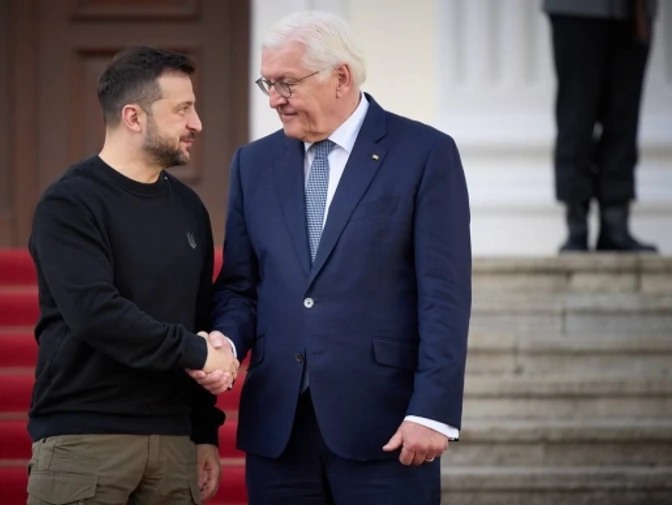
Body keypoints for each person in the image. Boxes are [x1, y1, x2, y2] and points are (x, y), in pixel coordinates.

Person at [192, 10, 472, 505]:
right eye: (268, 83)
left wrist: (433, 410)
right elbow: (240, 285)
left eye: (287, 83)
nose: (275, 98)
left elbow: (444, 295)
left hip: (386, 428)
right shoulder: (253, 164)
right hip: (279, 431)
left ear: (340, 77)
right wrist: (227, 344)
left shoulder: (424, 153)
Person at [25, 46, 239, 505]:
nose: (197, 123)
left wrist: (204, 433)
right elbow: (94, 313)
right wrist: (199, 351)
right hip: (86, 439)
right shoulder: (70, 203)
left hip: (174, 444)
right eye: (183, 109)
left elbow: (197, 314)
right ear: (134, 117)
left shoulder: (188, 208)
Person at [544, 0, 658, 252]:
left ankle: (615, 224)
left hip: (633, 11)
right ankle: (576, 225)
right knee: (575, 118)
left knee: (624, 118)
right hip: (578, 10)